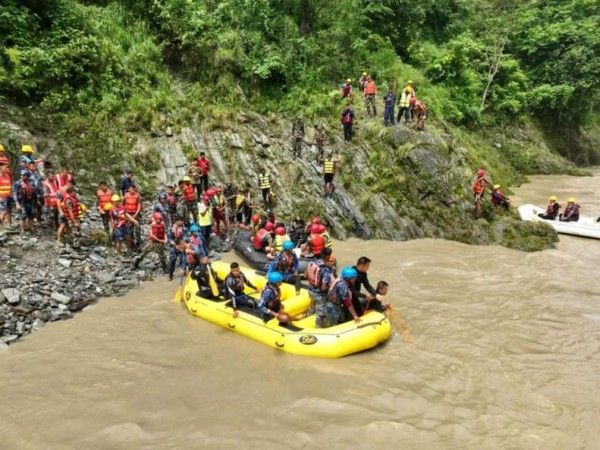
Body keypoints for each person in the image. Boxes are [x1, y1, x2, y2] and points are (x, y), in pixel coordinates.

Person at [306, 248, 335, 325]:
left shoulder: (313, 262)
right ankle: (318, 327)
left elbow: (306, 275)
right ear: (328, 257)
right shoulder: (325, 269)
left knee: (312, 307)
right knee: (320, 314)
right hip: (319, 294)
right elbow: (323, 288)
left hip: (310, 290)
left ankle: (306, 319)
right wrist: (331, 288)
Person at [13, 169, 37, 236]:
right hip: (22, 201)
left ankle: (31, 228)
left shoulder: (31, 182)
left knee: (31, 215)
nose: (22, 176)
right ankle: (22, 230)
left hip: (31, 201)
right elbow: (14, 194)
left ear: (27, 176)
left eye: (24, 175)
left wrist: (36, 201)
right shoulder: (17, 183)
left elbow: (34, 192)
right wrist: (17, 203)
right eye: (21, 175)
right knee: (23, 216)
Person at [0, 163, 13, 229]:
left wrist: (11, 194)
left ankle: (9, 225)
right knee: (3, 211)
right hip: (2, 197)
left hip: (9, 196)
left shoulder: (7, 176)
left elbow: (10, 186)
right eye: (5, 167)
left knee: (9, 211)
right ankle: (1, 225)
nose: (6, 169)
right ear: (0, 168)